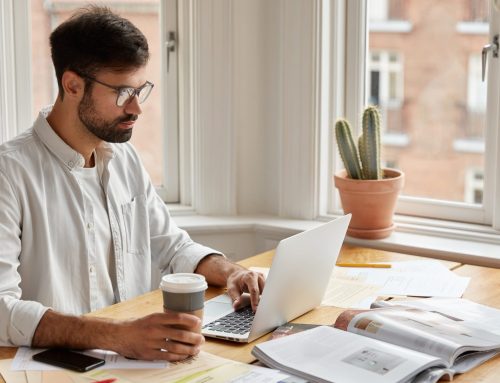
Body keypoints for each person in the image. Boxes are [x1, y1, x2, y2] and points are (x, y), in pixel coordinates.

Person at [0, 6, 265, 362]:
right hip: (56, 368)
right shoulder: (9, 172)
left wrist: (234, 272)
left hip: (137, 364)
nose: (136, 109)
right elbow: (1, 309)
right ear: (72, 85)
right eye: (124, 93)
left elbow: (170, 247)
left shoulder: (124, 159)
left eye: (141, 91)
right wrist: (117, 336)